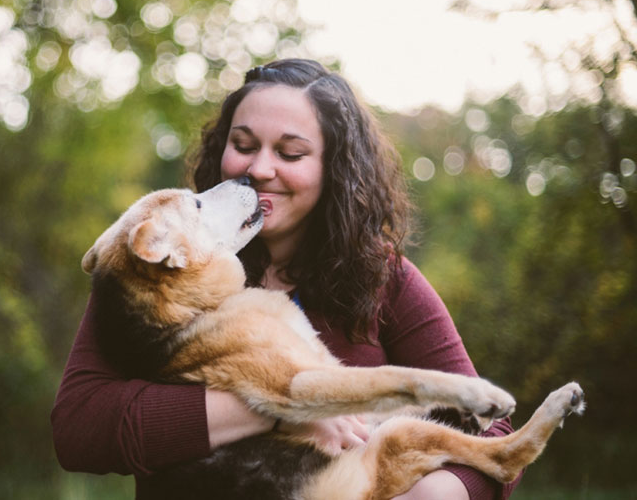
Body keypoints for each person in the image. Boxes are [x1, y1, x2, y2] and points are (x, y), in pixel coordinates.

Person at [51, 59, 521, 499]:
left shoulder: (384, 278)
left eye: (290, 152)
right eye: (244, 145)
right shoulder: (160, 270)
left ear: (333, 169)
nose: (259, 169)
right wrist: (279, 409)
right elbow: (79, 428)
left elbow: (492, 426)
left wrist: (439, 492)